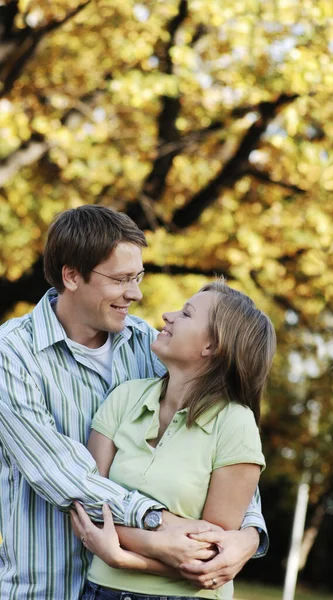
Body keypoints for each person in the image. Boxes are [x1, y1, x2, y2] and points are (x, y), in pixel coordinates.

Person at [0, 205, 268, 600]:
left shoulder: (147, 344)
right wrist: (159, 526)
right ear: (71, 275)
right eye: (122, 279)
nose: (137, 293)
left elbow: (222, 461)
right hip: (48, 588)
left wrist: (248, 533)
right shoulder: (13, 354)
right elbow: (60, 474)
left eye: (138, 277)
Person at [71, 279, 276, 600]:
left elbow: (210, 556)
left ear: (212, 346)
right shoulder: (124, 398)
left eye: (187, 314)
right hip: (101, 590)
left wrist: (123, 555)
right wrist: (155, 543)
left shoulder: (235, 424)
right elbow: (89, 504)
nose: (167, 315)